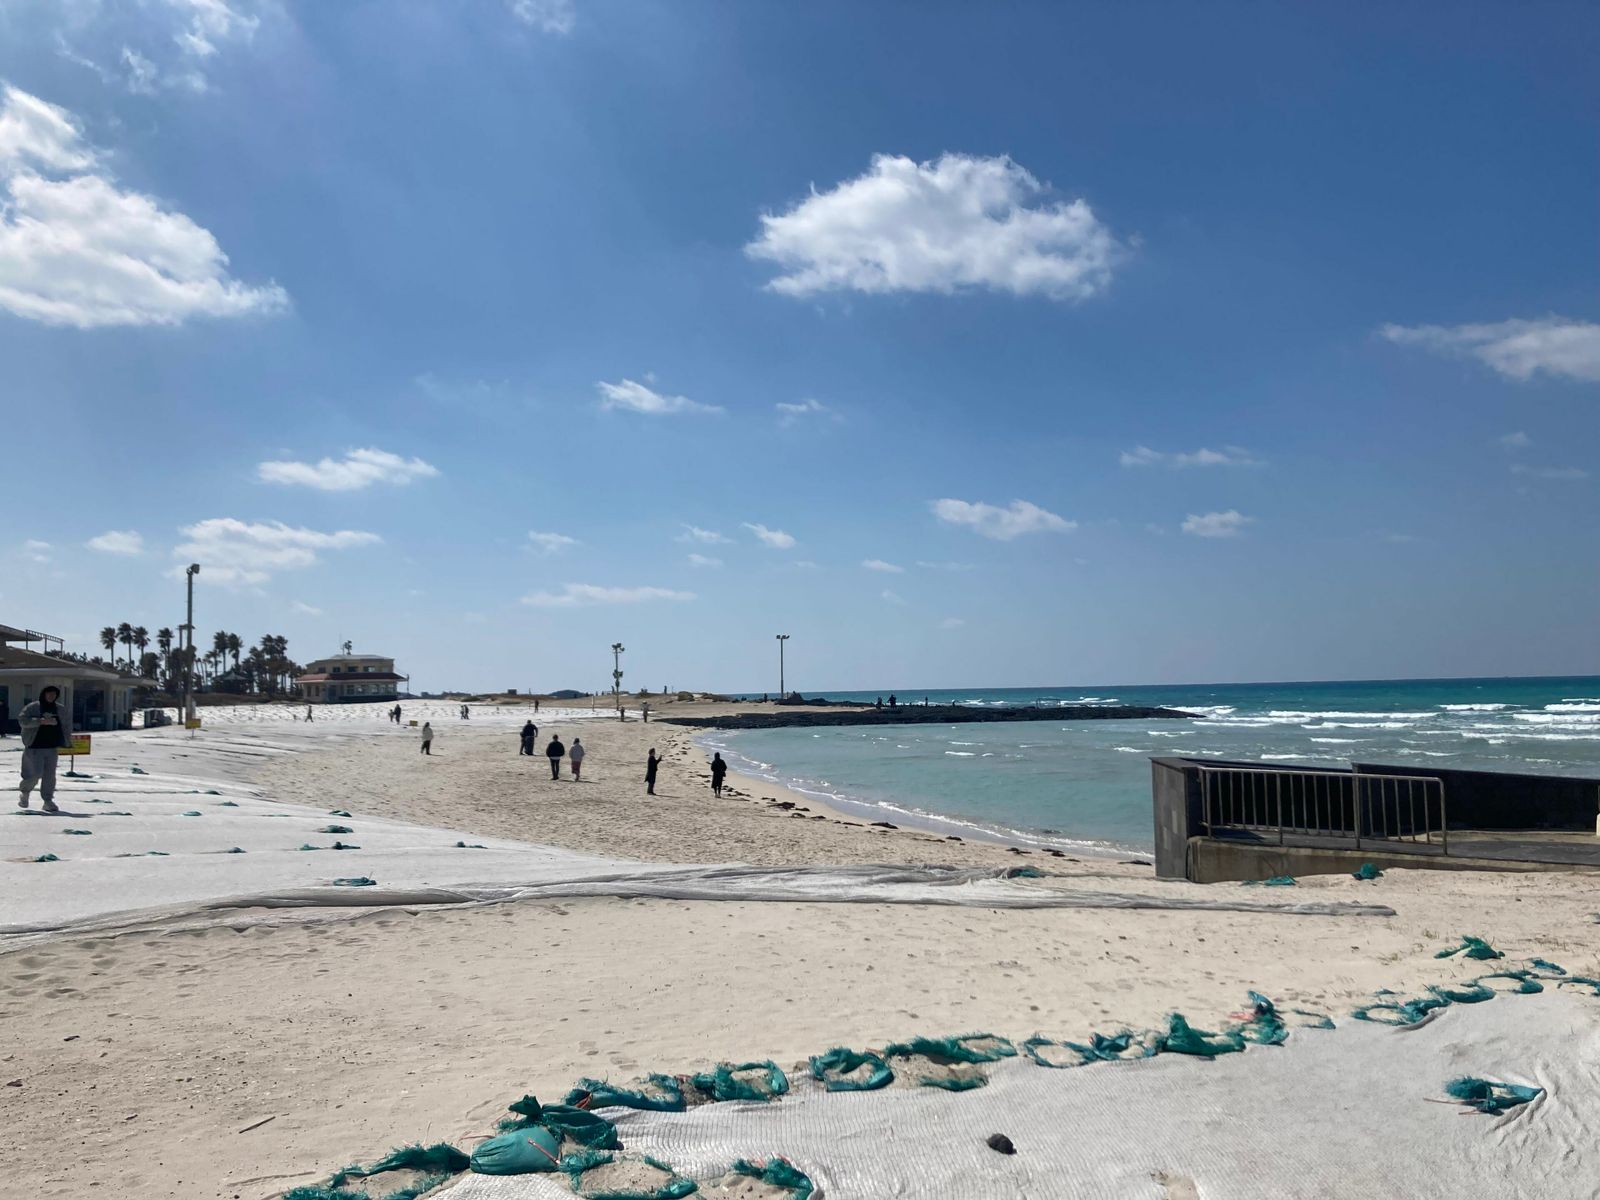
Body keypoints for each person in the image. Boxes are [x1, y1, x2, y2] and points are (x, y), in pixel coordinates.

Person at [17, 685, 71, 813]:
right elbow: (22, 721)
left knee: (49, 776)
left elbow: (66, 725)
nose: (51, 696)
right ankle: (25, 793)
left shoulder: (60, 709)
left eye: (54, 694)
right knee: (34, 774)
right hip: (34, 747)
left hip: (51, 747)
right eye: (49, 693)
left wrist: (67, 740)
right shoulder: (33, 707)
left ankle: (47, 800)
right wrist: (40, 721)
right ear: (43, 694)